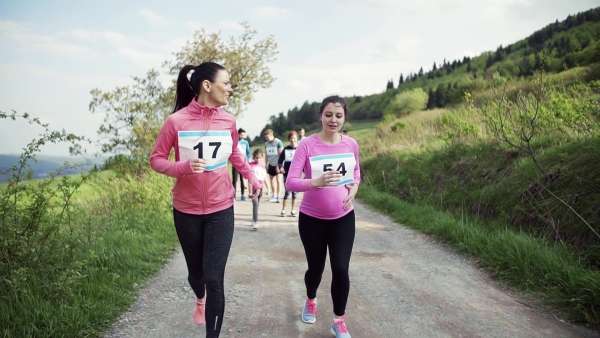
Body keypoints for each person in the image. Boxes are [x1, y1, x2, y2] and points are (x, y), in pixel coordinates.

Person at [149, 61, 263, 338]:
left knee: (214, 278)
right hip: (186, 210)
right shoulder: (176, 121)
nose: (231, 88)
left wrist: (251, 176)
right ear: (207, 86)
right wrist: (183, 167)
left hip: (220, 208)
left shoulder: (228, 121)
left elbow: (234, 153)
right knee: (197, 275)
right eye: (227, 83)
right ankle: (198, 298)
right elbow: (156, 160)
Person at [286, 95, 360, 338]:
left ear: (344, 118)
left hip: (343, 217)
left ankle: (339, 321)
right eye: (328, 115)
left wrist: (355, 189)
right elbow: (291, 182)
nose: (333, 120)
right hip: (312, 219)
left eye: (338, 115)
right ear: (321, 116)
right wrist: (315, 182)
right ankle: (310, 300)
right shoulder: (307, 145)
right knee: (315, 268)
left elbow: (356, 173)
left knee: (341, 268)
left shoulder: (351, 144)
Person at [277, 130, 298, 217]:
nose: (292, 140)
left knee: (294, 193)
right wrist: (280, 167)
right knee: (287, 192)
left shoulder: (299, 148)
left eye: (294, 138)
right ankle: (283, 209)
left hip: (296, 174)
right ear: (289, 139)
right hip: (287, 174)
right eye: (291, 138)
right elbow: (280, 161)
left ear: (296, 138)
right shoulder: (286, 149)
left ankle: (293, 210)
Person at [263, 129, 283, 203]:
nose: (266, 139)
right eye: (265, 137)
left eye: (267, 137)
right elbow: (266, 155)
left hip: (277, 164)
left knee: (278, 180)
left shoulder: (278, 142)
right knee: (272, 180)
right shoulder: (266, 144)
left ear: (272, 135)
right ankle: (274, 195)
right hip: (270, 164)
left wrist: (280, 165)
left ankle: (278, 196)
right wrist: (266, 164)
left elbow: (281, 155)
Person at [248, 148, 267, 229]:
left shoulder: (263, 166)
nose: (258, 159)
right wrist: (249, 191)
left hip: (261, 187)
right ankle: (255, 221)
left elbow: (265, 177)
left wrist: (268, 188)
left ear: (262, 157)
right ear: (253, 157)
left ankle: (254, 218)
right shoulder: (250, 165)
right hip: (253, 188)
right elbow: (249, 178)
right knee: (255, 204)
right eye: (256, 158)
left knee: (257, 205)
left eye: (259, 158)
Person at [232, 128, 251, 201]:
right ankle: (234, 195)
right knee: (234, 180)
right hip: (235, 164)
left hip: (243, 163)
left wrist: (249, 159)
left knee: (242, 180)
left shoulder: (245, 142)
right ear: (238, 134)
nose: (242, 136)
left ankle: (243, 194)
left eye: (243, 135)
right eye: (241, 135)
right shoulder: (234, 141)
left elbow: (248, 152)